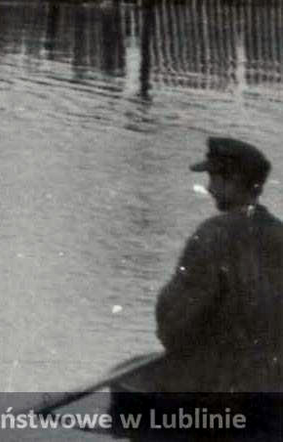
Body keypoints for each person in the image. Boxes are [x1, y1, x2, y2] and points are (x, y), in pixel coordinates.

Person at [112, 137, 283, 436]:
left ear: (231, 181)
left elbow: (171, 326)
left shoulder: (212, 236)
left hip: (218, 402)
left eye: (214, 177)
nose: (210, 187)